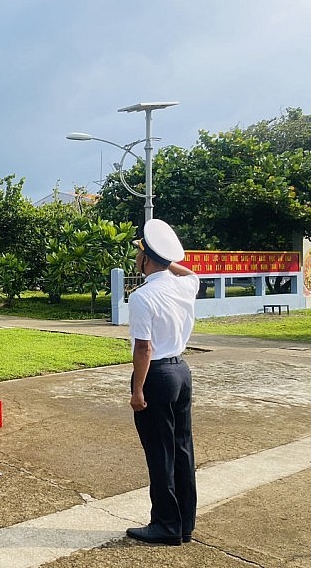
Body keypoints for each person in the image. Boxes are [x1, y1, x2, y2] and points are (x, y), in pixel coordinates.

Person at [126, 219, 200, 546]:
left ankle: (165, 524)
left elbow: (144, 348)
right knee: (182, 448)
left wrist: (137, 390)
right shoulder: (185, 285)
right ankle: (184, 522)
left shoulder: (143, 297)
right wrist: (167, 260)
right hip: (182, 372)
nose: (135, 260)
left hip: (156, 376)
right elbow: (189, 273)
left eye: (139, 254)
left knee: (159, 451)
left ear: (146, 259)